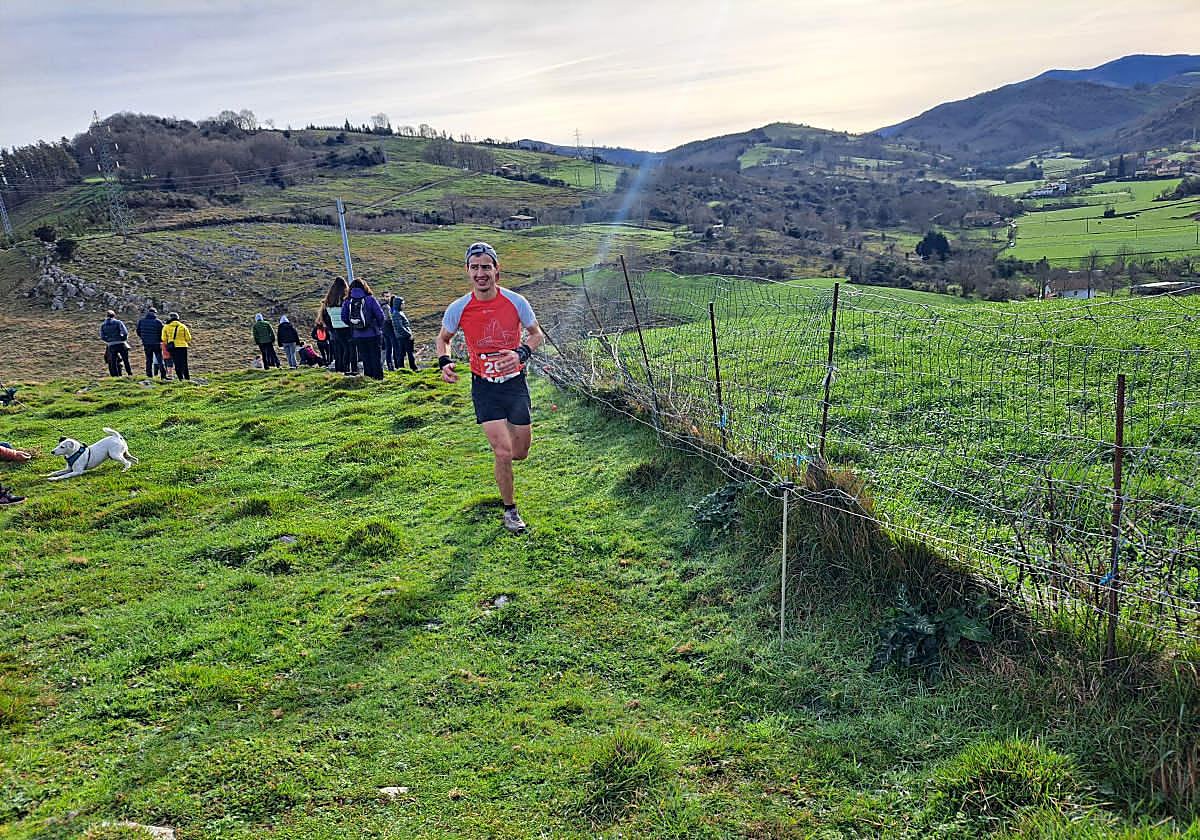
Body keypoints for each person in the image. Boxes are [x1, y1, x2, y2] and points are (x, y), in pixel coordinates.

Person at [437, 241, 545, 533]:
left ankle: (511, 443)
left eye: (486, 267)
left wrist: (521, 353)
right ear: (467, 271)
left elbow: (536, 334)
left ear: (497, 270)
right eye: (475, 268)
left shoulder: (516, 301)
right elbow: (443, 338)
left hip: (514, 384)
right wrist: (444, 361)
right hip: (484, 386)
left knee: (519, 451)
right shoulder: (459, 308)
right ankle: (510, 511)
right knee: (501, 451)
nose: (480, 273)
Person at [340, 277, 386, 380]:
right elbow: (381, 316)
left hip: (358, 335)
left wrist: (354, 325)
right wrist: (378, 326)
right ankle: (378, 379)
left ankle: (368, 378)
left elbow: (343, 317)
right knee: (376, 357)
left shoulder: (348, 301)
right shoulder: (370, 299)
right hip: (373, 333)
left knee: (365, 357)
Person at [318, 277, 352, 374]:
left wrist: (330, 328)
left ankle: (339, 369)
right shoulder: (346, 299)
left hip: (335, 329)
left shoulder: (329, 300)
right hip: (346, 327)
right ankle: (347, 368)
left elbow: (324, 316)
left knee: (338, 350)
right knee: (348, 349)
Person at [136, 307, 167, 379]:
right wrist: (160, 340)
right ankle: (163, 374)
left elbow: (138, 331)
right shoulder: (158, 322)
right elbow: (162, 332)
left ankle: (149, 375)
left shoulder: (141, 321)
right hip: (156, 343)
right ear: (155, 313)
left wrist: (143, 338)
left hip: (146, 343)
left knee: (148, 359)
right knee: (159, 359)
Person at [100, 310, 132, 376]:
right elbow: (125, 332)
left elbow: (102, 336)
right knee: (126, 360)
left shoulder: (103, 325)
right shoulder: (118, 322)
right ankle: (129, 373)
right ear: (114, 315)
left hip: (111, 345)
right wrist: (123, 339)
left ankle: (115, 376)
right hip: (121, 343)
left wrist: (108, 341)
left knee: (113, 361)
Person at [162, 313, 192, 381]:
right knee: (184, 363)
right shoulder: (183, 326)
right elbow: (188, 338)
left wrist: (169, 342)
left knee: (176, 363)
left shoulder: (166, 327)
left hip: (173, 347)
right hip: (183, 347)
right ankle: (187, 378)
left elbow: (163, 338)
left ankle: (180, 378)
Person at [391, 295, 418, 371]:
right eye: (402, 304)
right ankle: (412, 368)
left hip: (402, 336)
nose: (403, 305)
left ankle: (402, 368)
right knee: (408, 353)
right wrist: (408, 334)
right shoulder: (397, 314)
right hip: (404, 337)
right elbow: (400, 327)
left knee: (402, 353)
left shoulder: (398, 313)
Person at [380, 295, 399, 372]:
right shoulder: (387, 307)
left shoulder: (382, 306)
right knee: (395, 347)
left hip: (384, 329)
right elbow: (389, 319)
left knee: (388, 348)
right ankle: (397, 365)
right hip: (390, 329)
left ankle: (390, 365)